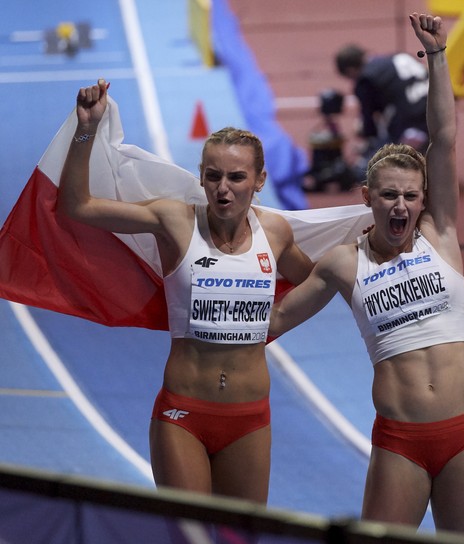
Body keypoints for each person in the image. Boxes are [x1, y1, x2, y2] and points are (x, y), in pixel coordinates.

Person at [270, 14, 464, 535]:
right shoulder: (345, 263)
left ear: (423, 200)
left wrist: (438, 57)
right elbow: (275, 320)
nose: (400, 205)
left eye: (410, 196)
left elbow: (445, 136)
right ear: (367, 199)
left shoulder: (440, 233)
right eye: (388, 195)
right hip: (403, 441)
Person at [56, 79, 314, 503]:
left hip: (250, 417)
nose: (223, 188)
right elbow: (77, 207)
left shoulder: (276, 233)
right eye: (212, 177)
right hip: (183, 413)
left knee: (239, 543)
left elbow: (317, 283)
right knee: (189, 540)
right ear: (200, 176)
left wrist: (275, 322)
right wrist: (87, 128)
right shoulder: (174, 221)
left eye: (236, 177)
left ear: (260, 180)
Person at [335, 40, 429, 154]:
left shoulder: (365, 80)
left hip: (414, 124)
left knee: (379, 156)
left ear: (350, 70)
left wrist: (364, 132)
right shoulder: (398, 56)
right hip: (440, 112)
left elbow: (370, 124)